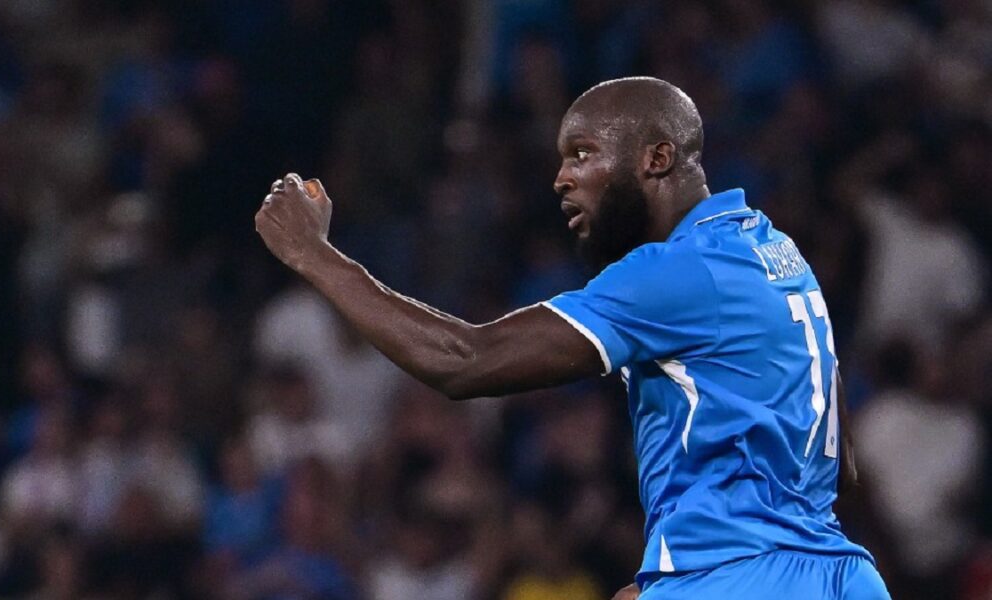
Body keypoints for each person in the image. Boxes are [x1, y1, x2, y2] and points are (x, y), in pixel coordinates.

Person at [255, 77, 890, 599]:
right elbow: (841, 464)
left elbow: (465, 359)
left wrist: (314, 255)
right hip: (840, 576)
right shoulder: (774, 253)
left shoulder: (676, 270)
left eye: (582, 153)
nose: (561, 177)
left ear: (656, 158)